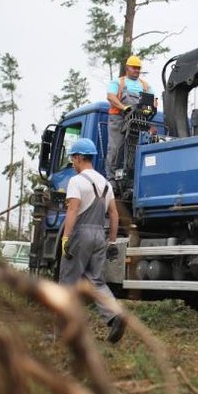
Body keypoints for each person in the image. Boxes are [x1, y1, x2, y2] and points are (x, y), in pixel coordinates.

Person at [60, 137, 125, 343]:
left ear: (79, 158)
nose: (73, 164)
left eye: (73, 159)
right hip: (100, 235)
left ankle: (63, 332)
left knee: (68, 282)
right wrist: (112, 242)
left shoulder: (76, 181)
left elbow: (73, 209)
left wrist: (66, 238)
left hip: (81, 234)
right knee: (95, 280)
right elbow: (114, 214)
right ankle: (115, 316)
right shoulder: (106, 183)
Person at [106, 55, 153, 178]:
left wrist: (149, 110)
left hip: (138, 121)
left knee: (133, 151)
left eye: (139, 68)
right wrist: (124, 107)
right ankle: (111, 179)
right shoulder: (118, 82)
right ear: (127, 68)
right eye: (134, 68)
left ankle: (130, 179)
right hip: (119, 119)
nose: (137, 70)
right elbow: (111, 97)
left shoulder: (145, 86)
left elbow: (154, 101)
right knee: (115, 149)